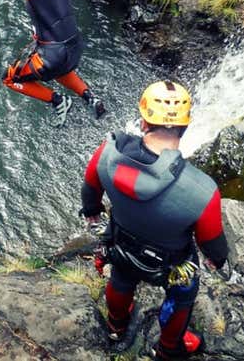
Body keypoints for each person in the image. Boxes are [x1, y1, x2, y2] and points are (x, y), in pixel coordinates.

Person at [80, 80, 228, 359]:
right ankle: (168, 348)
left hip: (121, 246)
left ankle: (116, 326)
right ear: (184, 128)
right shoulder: (202, 189)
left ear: (144, 122)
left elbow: (90, 193)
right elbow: (212, 245)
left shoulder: (108, 151)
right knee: (183, 292)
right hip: (171, 263)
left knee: (121, 279)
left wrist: (93, 214)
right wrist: (218, 261)